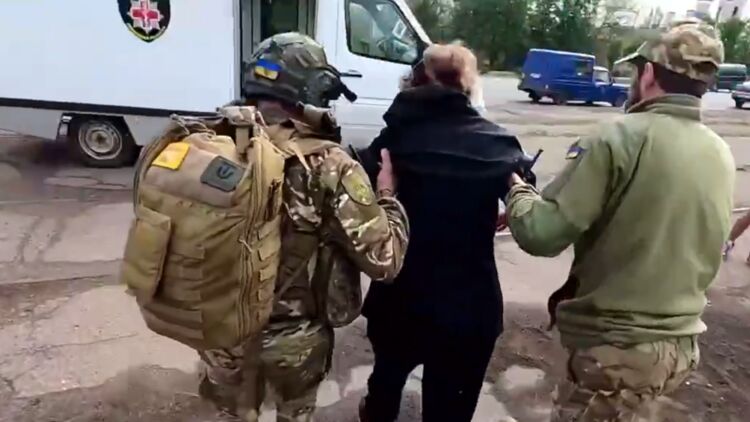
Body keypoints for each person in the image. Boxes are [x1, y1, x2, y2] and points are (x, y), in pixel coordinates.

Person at [502, 21, 734, 421]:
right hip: (678, 347)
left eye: (635, 71)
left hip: (617, 351)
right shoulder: (719, 151)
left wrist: (516, 190)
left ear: (648, 74)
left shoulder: (618, 137)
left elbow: (542, 234)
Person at [197, 32, 410, 422]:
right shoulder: (329, 164)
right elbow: (385, 261)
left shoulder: (209, 143)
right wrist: (387, 196)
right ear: (309, 88)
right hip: (293, 341)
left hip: (220, 329)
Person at [356, 43, 533, 422]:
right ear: (467, 88)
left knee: (385, 384)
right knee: (450, 408)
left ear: (414, 82)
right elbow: (523, 194)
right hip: (470, 305)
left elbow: (359, 197)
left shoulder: (393, 141)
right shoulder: (496, 142)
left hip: (400, 298)